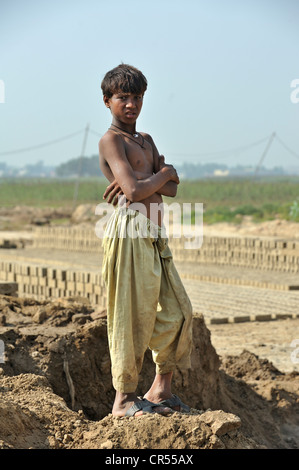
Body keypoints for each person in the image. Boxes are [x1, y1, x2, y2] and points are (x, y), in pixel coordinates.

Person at [98, 64, 193, 417]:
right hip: (129, 233)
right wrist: (162, 172)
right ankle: (123, 401)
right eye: (122, 97)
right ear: (107, 101)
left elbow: (170, 190)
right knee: (131, 315)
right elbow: (139, 189)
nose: (131, 104)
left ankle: (159, 391)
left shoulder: (146, 141)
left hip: (154, 235)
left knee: (179, 311)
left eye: (137, 97)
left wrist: (152, 181)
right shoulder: (111, 141)